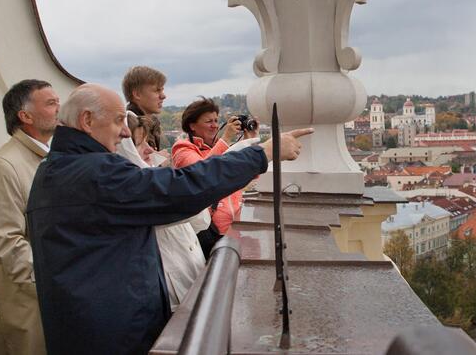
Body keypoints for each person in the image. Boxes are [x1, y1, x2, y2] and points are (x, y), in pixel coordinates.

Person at [27, 84, 311, 355]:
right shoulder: (94, 174)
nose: (125, 132)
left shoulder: (56, 169)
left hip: (88, 326)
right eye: (117, 121)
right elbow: (179, 189)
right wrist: (262, 154)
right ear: (87, 120)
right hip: (112, 334)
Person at [0, 79, 60, 355]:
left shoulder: (47, 158)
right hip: (34, 306)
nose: (59, 109)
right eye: (51, 103)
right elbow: (5, 241)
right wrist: (52, 283)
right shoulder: (4, 166)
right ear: (25, 116)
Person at [121, 112, 209, 311]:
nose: (150, 149)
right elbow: (193, 210)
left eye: (148, 142)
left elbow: (202, 221)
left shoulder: (151, 177)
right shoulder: (134, 190)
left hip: (188, 280)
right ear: (125, 150)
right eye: (139, 144)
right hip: (171, 293)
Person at [172, 98, 258, 252]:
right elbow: (202, 172)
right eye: (208, 121)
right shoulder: (182, 149)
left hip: (235, 227)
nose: (215, 126)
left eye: (216, 121)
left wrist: (250, 141)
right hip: (209, 231)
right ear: (192, 126)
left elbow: (252, 174)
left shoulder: (225, 148)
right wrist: (226, 139)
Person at [121, 65, 166, 150]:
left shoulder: (151, 123)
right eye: (157, 90)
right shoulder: (129, 127)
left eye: (162, 90)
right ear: (137, 94)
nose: (163, 96)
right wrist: (160, 161)